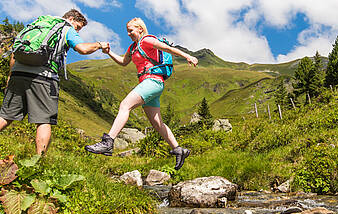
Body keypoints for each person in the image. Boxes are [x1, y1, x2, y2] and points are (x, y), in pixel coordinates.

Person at [85, 17, 198, 170]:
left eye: (131, 30)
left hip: (153, 82)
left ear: (140, 28)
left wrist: (187, 56)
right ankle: (179, 149)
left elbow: (167, 48)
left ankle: (108, 142)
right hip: (149, 84)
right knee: (157, 123)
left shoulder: (147, 40)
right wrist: (109, 52)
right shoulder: (133, 48)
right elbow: (123, 62)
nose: (128, 34)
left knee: (125, 105)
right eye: (127, 31)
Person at [0, 9, 109, 154]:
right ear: (71, 18)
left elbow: (15, 51)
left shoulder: (37, 25)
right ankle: (39, 163)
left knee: (5, 116)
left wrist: (10, 75)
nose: (77, 31)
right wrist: (99, 45)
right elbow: (82, 49)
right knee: (44, 121)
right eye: (78, 27)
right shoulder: (66, 29)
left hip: (18, 74)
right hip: (43, 76)